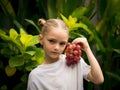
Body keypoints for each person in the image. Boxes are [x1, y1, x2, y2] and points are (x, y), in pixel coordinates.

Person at [27, 18, 104, 90]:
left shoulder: (73, 61)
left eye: (62, 43)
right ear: (41, 39)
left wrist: (87, 49)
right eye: (52, 41)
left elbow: (98, 79)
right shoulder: (35, 76)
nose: (56, 47)